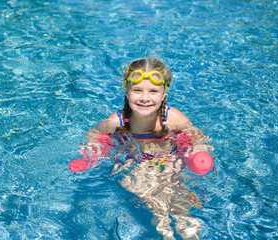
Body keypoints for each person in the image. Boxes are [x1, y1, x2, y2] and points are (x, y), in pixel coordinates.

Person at [69, 58, 214, 240]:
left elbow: (197, 138)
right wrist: (90, 154)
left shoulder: (174, 118)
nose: (145, 98)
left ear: (163, 95)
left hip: (168, 158)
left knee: (179, 204)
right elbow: (95, 137)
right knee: (153, 200)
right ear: (127, 93)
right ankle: (165, 231)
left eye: (153, 91)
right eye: (137, 90)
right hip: (136, 161)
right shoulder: (116, 121)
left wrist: (197, 153)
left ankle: (188, 231)